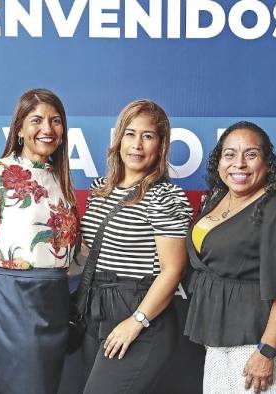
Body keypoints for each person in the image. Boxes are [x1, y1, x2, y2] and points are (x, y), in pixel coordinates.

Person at [0, 88, 79, 394]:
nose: (47, 129)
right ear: (19, 129)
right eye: (36, 120)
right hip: (14, 299)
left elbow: (70, 252)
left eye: (55, 121)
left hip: (55, 300)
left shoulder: (60, 180)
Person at [184, 121, 276, 394]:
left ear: (267, 162)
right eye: (229, 154)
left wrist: (266, 352)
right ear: (219, 162)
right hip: (220, 335)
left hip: (258, 339)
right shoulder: (217, 199)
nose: (239, 164)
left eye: (251, 154)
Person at [79, 99, 193, 393]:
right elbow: (88, 256)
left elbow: (173, 270)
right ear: (118, 139)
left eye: (148, 136)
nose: (137, 145)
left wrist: (136, 321)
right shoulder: (100, 189)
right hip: (96, 309)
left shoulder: (165, 197)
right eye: (130, 133)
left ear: (161, 144)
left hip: (140, 311)